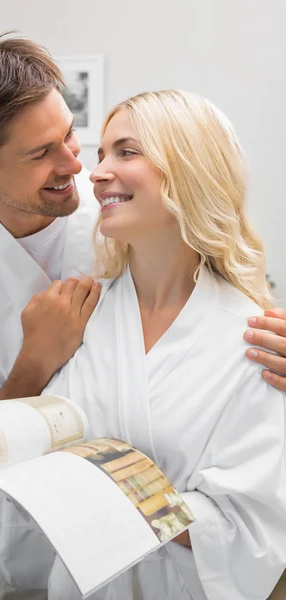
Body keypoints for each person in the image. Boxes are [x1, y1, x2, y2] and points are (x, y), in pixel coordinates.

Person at [0, 35, 286, 599]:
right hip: (35, 548)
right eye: (40, 154)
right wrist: (33, 364)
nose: (81, 168)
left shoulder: (116, 207)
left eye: (71, 136)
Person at [39, 90, 286, 599]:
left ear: (190, 169)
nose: (98, 171)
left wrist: (130, 499)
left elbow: (253, 530)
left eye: (126, 152)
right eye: (101, 153)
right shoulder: (83, 313)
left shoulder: (253, 340)